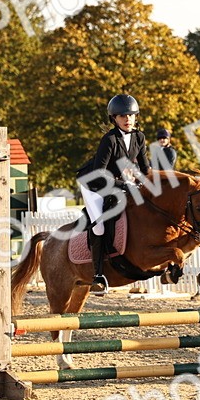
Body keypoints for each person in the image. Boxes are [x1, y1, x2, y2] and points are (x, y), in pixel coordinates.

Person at [76, 94, 150, 293]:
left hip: (118, 183)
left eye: (131, 116)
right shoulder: (109, 139)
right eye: (122, 116)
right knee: (99, 226)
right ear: (114, 119)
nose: (127, 120)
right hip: (94, 185)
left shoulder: (139, 137)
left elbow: (145, 169)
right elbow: (99, 174)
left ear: (136, 117)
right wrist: (125, 185)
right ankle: (98, 276)